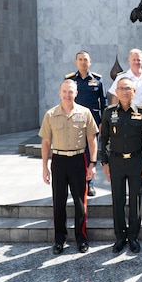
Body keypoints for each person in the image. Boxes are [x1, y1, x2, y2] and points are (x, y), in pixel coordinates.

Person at [39, 79, 99, 255]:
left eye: (70, 91)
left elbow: (92, 140)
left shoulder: (85, 112)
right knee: (59, 202)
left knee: (80, 202)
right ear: (59, 93)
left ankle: (81, 238)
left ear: (76, 93)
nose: (67, 95)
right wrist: (44, 167)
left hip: (78, 160)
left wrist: (93, 163)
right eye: (64, 91)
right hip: (58, 160)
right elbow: (46, 142)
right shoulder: (51, 114)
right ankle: (60, 239)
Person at [101, 77, 142, 253]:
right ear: (116, 91)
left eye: (128, 88)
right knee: (118, 200)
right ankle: (120, 237)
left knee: (135, 200)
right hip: (115, 161)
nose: (124, 91)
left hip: (136, 161)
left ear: (134, 91)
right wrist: (104, 161)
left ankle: (133, 237)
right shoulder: (108, 112)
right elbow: (104, 139)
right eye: (121, 88)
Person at [109, 48, 142, 194]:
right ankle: (126, 182)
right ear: (129, 61)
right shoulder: (122, 77)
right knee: (127, 149)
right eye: (134, 59)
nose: (136, 62)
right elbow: (114, 98)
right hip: (125, 120)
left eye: (139, 60)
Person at [65, 50, 107, 197]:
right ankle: (78, 183)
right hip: (75, 122)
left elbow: (103, 102)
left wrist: (102, 122)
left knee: (91, 153)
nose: (83, 62)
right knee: (76, 153)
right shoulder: (70, 80)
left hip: (93, 122)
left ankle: (90, 184)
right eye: (80, 59)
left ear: (90, 62)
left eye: (86, 60)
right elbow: (65, 100)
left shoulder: (98, 80)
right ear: (76, 62)